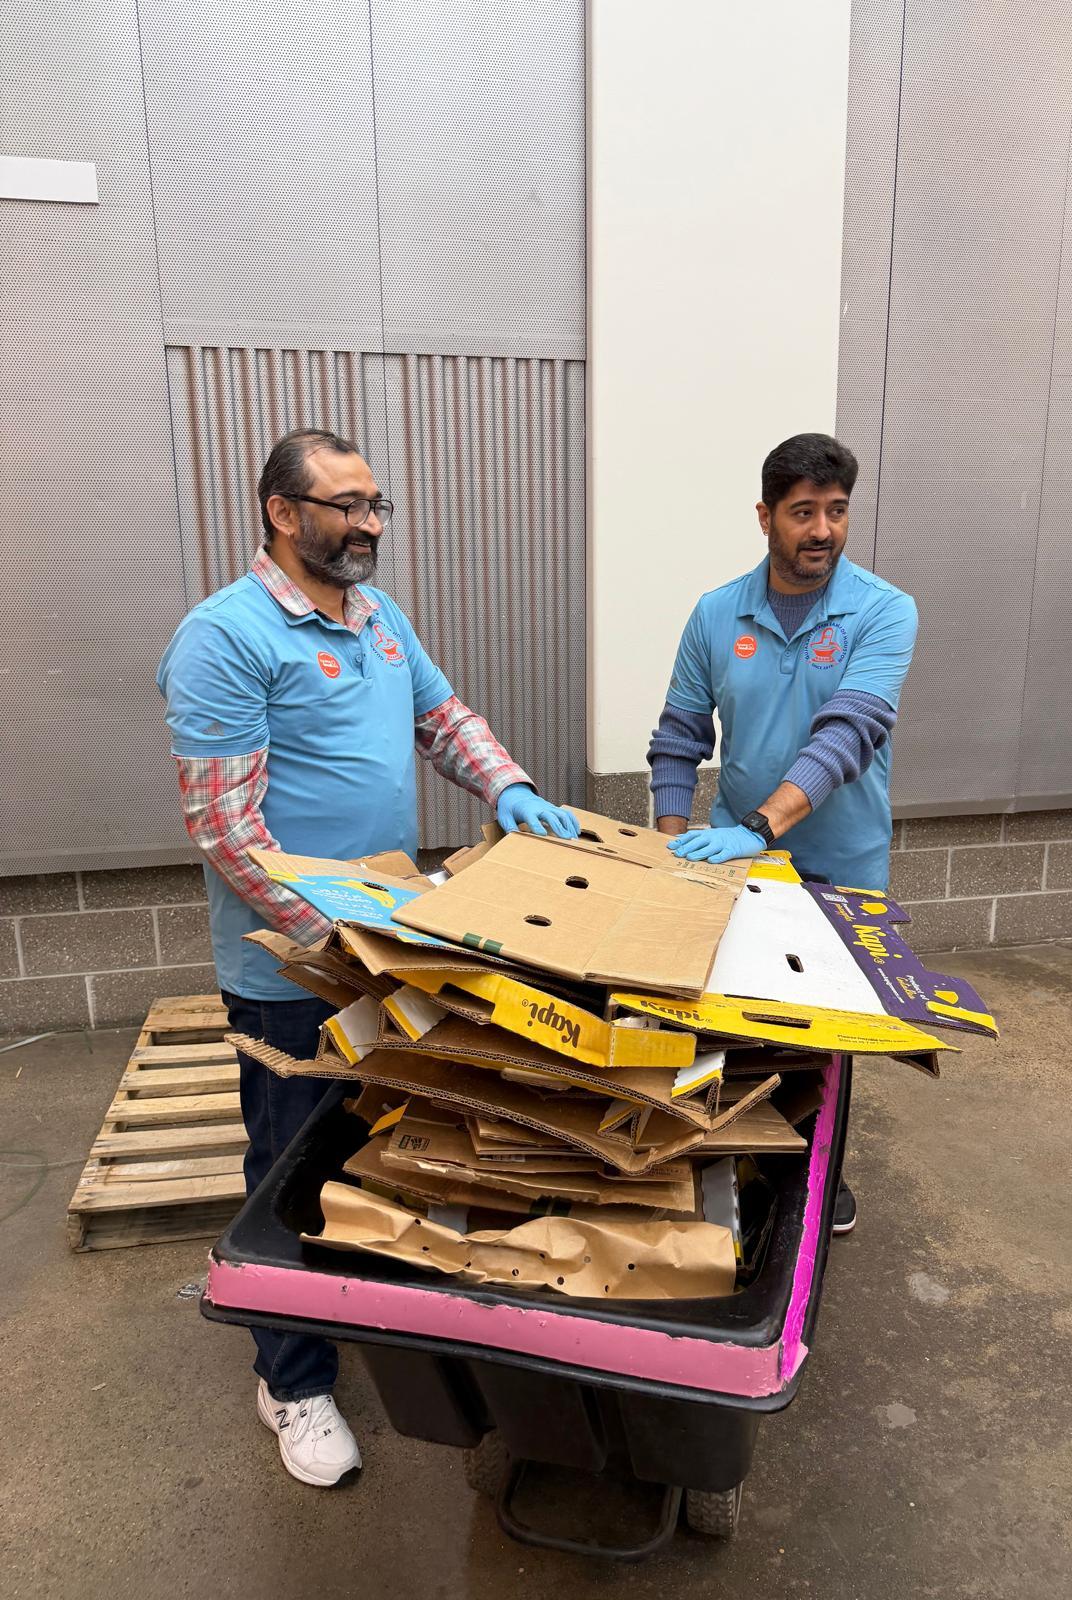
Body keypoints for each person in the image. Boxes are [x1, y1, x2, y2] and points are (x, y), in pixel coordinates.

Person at [157, 427, 578, 1487]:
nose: (369, 525)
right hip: (294, 969)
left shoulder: (377, 617)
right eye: (346, 505)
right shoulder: (225, 636)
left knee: (385, 1142)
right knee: (290, 1164)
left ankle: (376, 1314)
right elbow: (228, 833)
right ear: (281, 512)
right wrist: (339, 939)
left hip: (390, 944)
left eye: (376, 504)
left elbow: (443, 717)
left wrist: (508, 785)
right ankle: (291, 1379)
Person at [648, 432, 918, 1236]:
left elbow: (849, 732)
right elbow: (679, 736)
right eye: (803, 512)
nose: (822, 530)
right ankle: (737, 1162)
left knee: (827, 1035)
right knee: (734, 1022)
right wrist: (670, 845)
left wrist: (761, 827)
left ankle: (820, 1173)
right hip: (738, 861)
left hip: (841, 863)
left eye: (836, 511)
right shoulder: (716, 613)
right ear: (765, 517)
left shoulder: (884, 611)